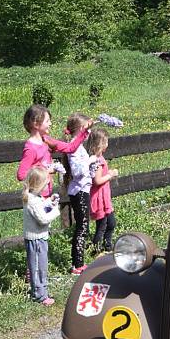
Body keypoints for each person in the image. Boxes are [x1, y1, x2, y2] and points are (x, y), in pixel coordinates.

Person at [16, 104, 92, 198]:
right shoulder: (31, 148)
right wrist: (46, 171)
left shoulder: (46, 140)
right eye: (47, 121)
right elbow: (21, 175)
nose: (50, 124)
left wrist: (84, 131)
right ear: (35, 123)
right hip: (36, 197)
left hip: (46, 194)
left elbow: (70, 148)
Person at [22, 166, 60, 306]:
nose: (47, 187)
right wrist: (55, 211)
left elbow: (41, 206)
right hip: (36, 239)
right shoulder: (32, 201)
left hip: (38, 237)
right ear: (39, 185)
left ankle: (39, 291)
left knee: (39, 265)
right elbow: (43, 218)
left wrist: (49, 202)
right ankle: (39, 296)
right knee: (38, 267)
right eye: (46, 184)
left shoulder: (34, 197)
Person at [65, 112, 97, 275]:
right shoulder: (75, 147)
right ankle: (77, 264)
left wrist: (92, 168)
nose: (89, 133)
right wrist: (90, 161)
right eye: (86, 129)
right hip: (78, 191)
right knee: (82, 226)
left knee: (83, 225)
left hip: (82, 189)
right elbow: (77, 171)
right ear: (79, 129)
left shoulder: (79, 147)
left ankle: (79, 261)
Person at [86, 129, 119, 254]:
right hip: (99, 198)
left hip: (104, 197)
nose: (107, 145)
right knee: (102, 225)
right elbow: (97, 180)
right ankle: (96, 250)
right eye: (106, 142)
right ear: (99, 144)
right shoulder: (97, 161)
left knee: (111, 223)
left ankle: (107, 246)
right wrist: (111, 174)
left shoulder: (99, 158)